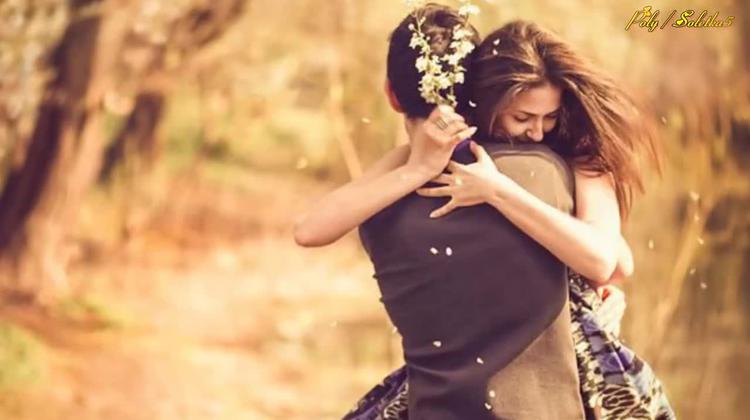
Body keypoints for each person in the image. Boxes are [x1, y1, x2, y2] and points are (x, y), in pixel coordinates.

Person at [295, 5, 675, 420]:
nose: (536, 131)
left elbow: (612, 260)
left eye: (549, 118)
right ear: (485, 102)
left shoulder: (577, 154)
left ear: (391, 94)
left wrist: (496, 190)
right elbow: (309, 230)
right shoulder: (537, 167)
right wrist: (419, 169)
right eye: (522, 117)